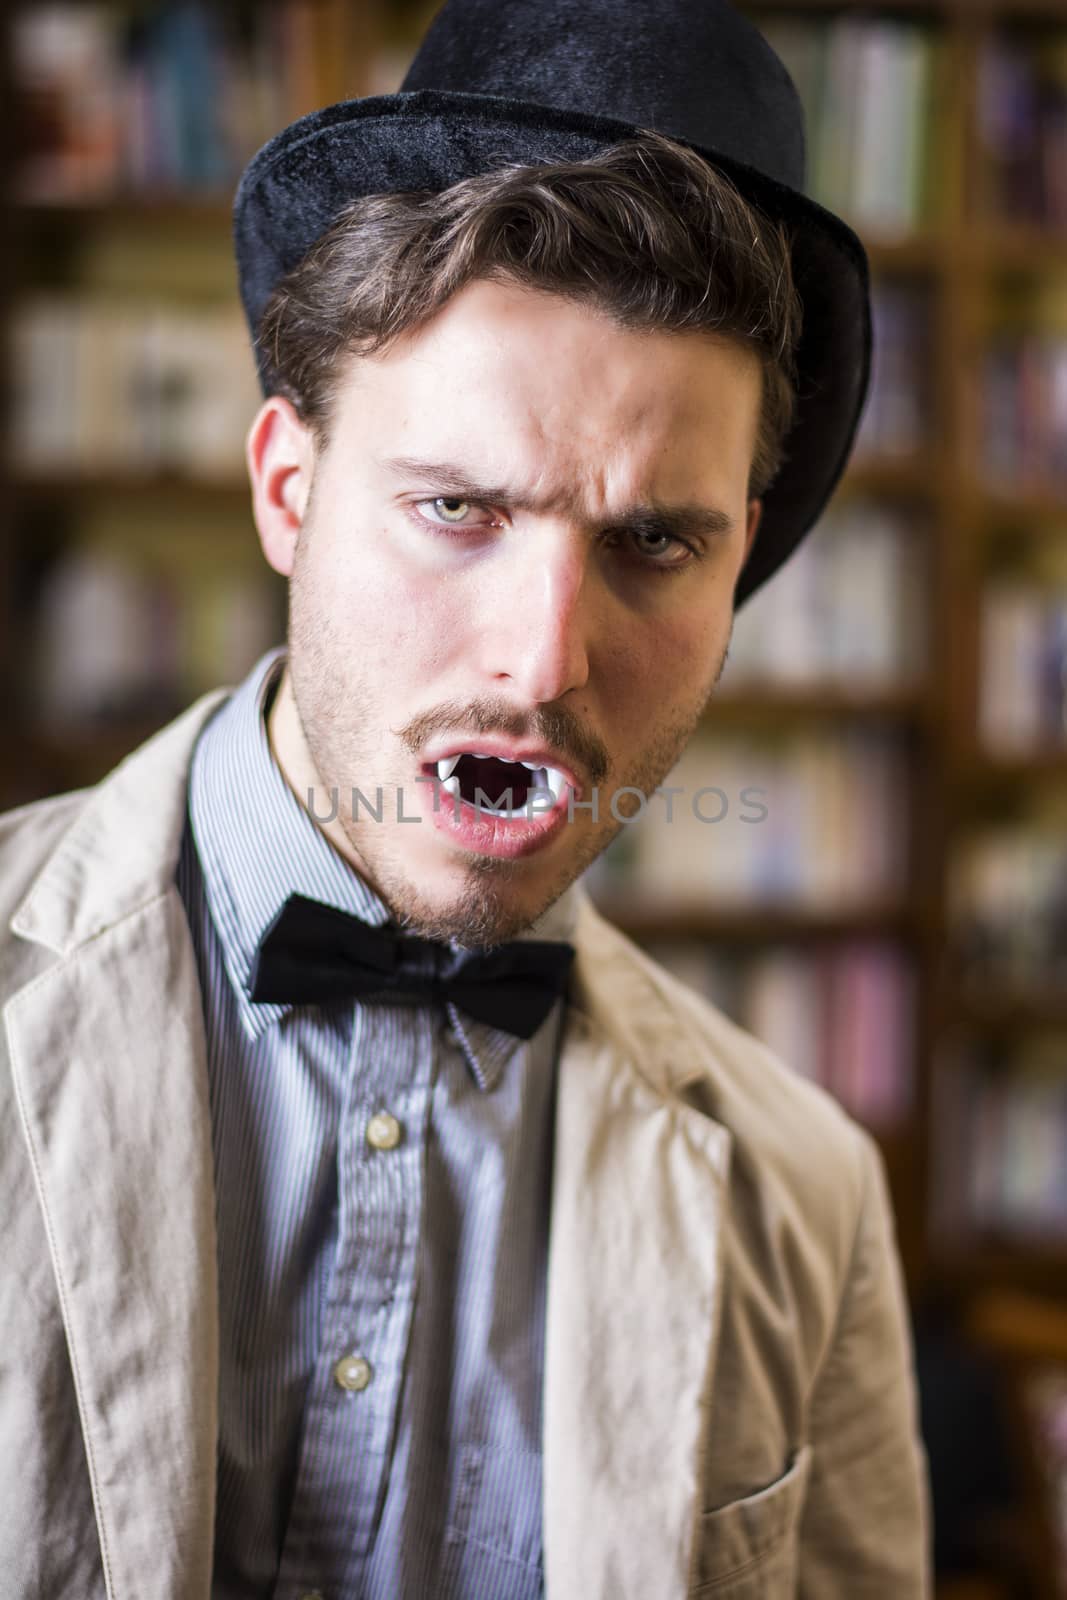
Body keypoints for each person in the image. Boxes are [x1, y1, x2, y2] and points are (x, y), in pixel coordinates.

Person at [0, 0, 931, 1595]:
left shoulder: (809, 1198)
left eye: (655, 545)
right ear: (287, 489)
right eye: (455, 508)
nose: (543, 656)